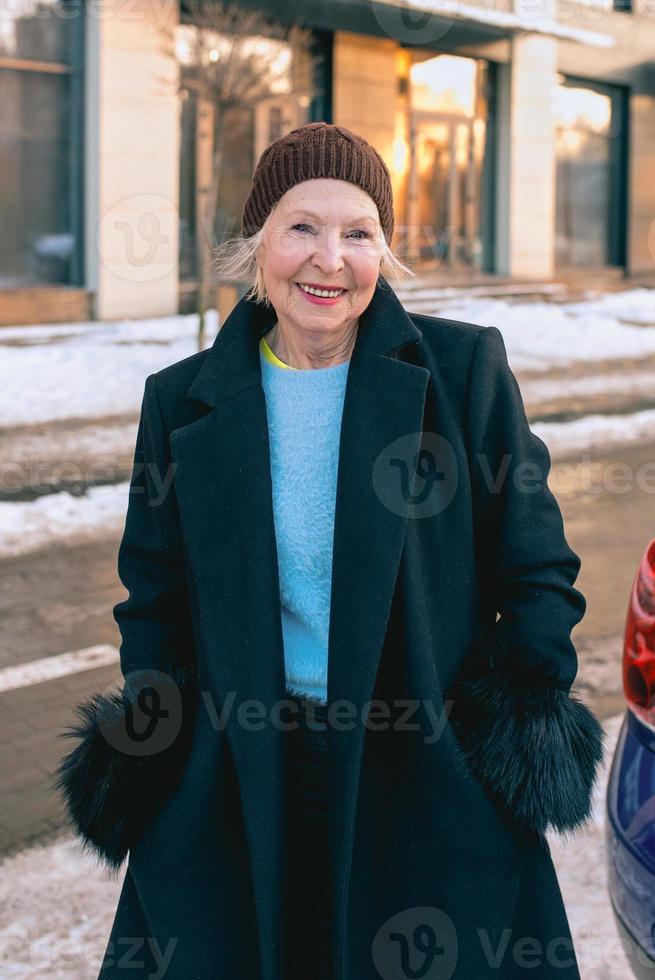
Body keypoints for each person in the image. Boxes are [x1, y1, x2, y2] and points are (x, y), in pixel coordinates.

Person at [55, 122, 605, 980]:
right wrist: (174, 745)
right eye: (301, 228)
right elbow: (151, 598)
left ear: (382, 252)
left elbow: (537, 570)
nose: (329, 259)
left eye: (358, 233)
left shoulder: (461, 373)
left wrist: (499, 731)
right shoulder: (182, 402)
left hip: (422, 766)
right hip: (240, 774)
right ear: (256, 245)